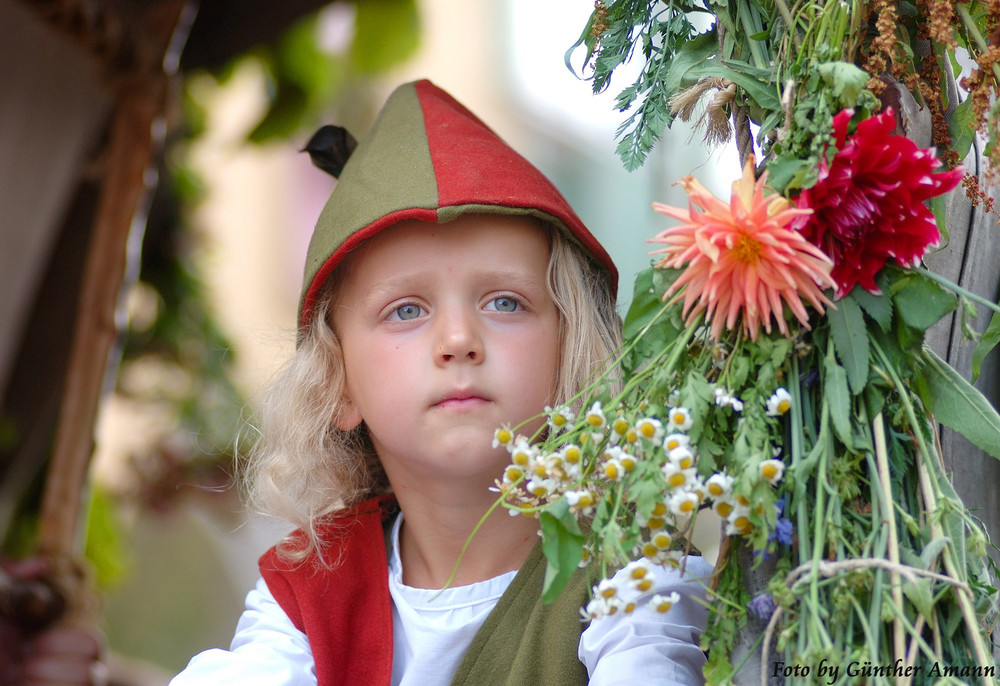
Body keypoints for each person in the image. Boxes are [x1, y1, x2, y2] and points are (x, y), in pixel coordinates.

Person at [170, 79, 711, 686]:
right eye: (406, 310)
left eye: (505, 302)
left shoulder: (634, 573)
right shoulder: (310, 593)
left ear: (572, 353)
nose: (458, 338)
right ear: (338, 386)